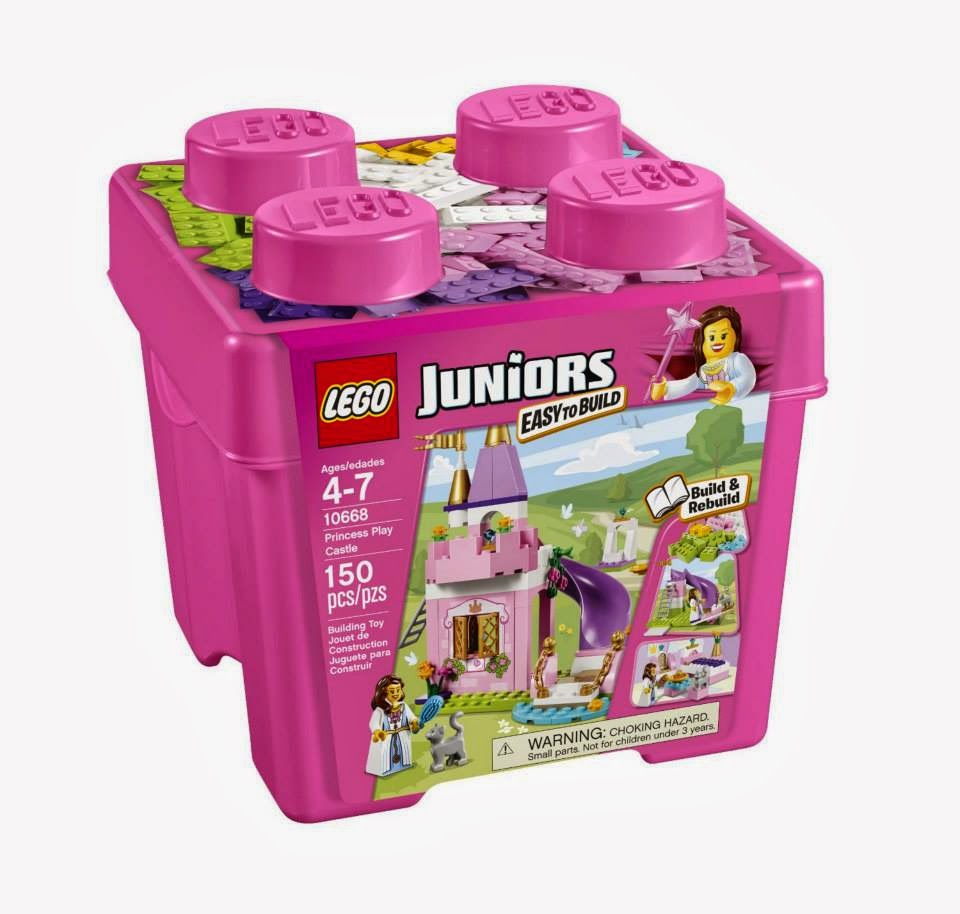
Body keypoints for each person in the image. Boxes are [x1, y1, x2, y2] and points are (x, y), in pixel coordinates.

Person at [650, 305, 756, 405]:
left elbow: (748, 377)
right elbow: (688, 384)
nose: (717, 342)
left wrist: (731, 387)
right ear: (700, 343)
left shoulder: (737, 360)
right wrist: (663, 388)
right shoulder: (704, 371)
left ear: (735, 338)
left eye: (723, 336)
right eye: (711, 338)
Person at [366, 675, 419, 777]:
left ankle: (403, 765)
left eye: (398, 690)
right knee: (385, 755)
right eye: (392, 691)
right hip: (386, 737)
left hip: (402, 735)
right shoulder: (380, 710)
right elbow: (373, 723)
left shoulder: (403, 706)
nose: (395, 694)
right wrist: (378, 732)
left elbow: (411, 717)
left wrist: (414, 722)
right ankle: (385, 770)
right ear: (384, 692)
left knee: (404, 752)